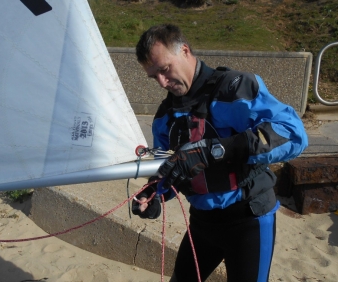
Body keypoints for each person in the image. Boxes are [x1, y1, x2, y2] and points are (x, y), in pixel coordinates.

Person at [132, 24, 308, 282]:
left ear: (184, 50)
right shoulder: (164, 118)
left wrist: (213, 150)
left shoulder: (234, 89)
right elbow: (172, 170)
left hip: (248, 219)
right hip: (202, 224)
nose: (162, 82)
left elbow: (294, 134)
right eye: (153, 77)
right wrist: (154, 194)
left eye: (164, 69)